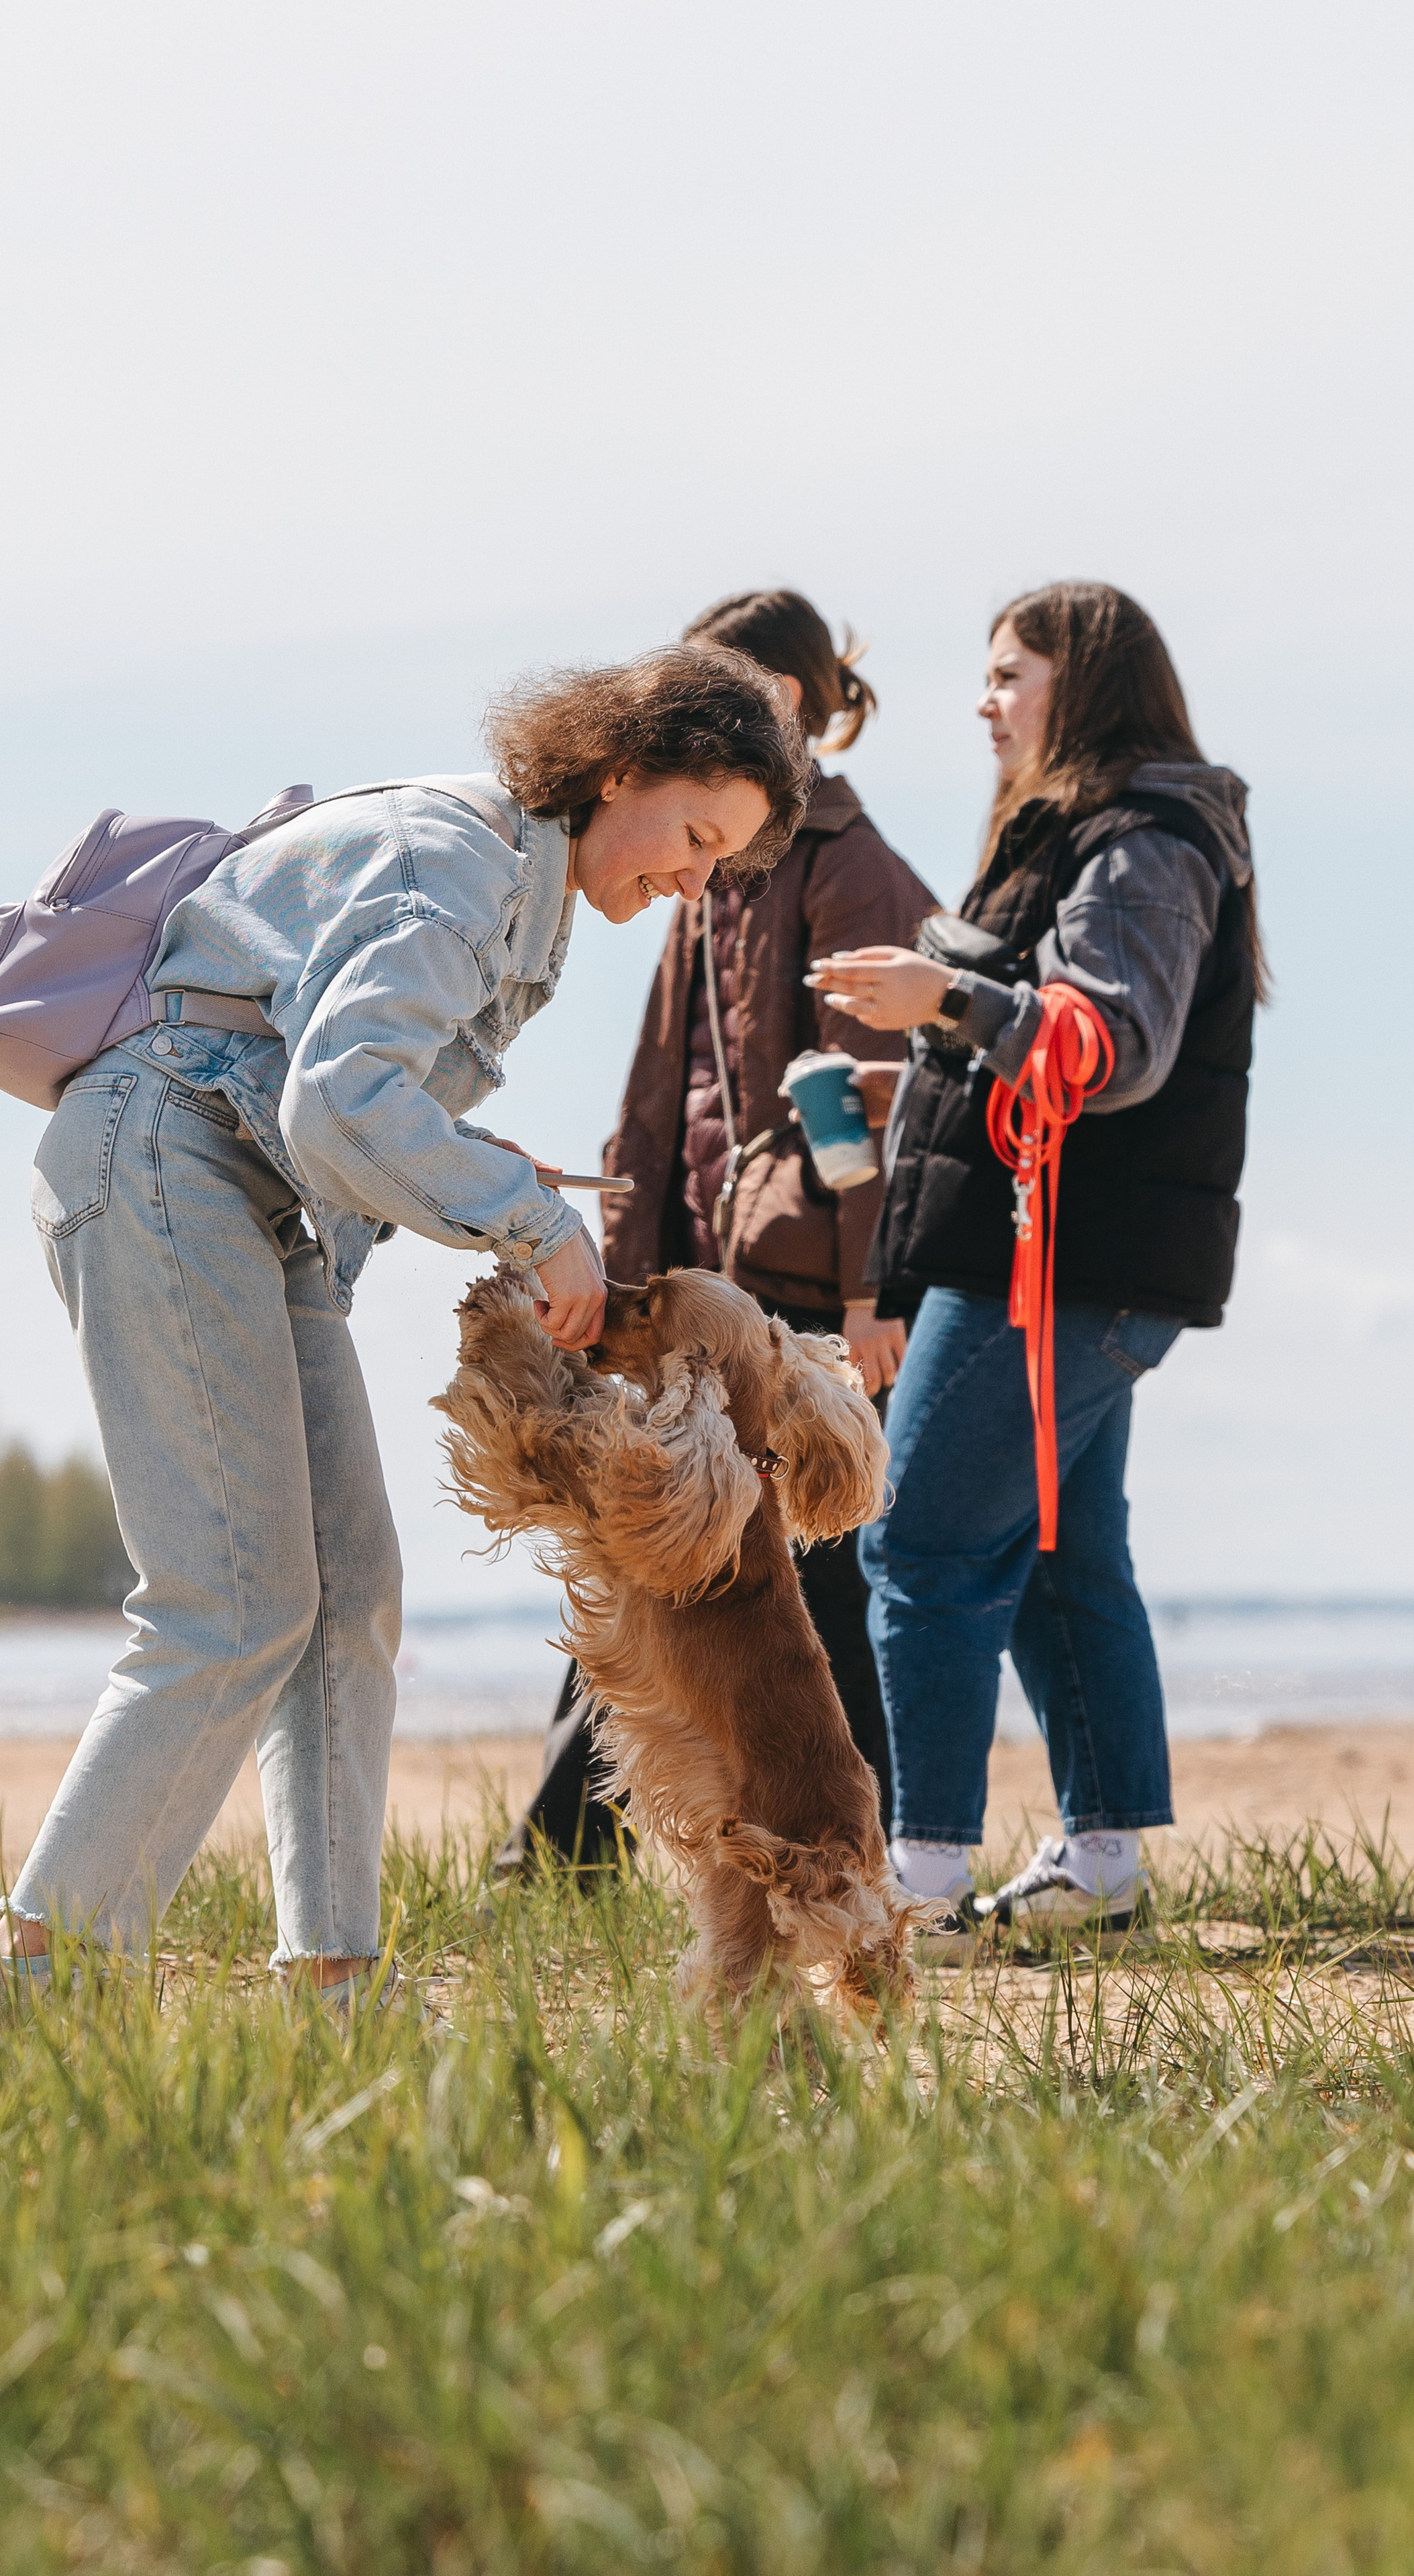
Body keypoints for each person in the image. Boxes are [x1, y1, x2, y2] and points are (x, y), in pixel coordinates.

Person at [0, 645, 811, 2012]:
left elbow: (337, 1096)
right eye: (696, 838)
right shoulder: (458, 865)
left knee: (349, 1597)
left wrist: (468, 1163)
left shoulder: (506, 873)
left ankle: (334, 1977)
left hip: (238, 1189)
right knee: (228, 1603)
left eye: (720, 865)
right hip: (172, 1161)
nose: (694, 883)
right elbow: (340, 1105)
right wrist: (532, 1216)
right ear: (622, 770)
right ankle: (32, 1976)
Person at [810, 583, 1265, 1948]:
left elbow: (1109, 1041)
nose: (982, 698)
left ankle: (924, 1878)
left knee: (919, 1540)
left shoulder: (1138, 835)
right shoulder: (1087, 833)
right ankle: (1100, 1859)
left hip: (1061, 1266)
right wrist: (918, 1083)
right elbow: (1043, 1044)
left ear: (1089, 683)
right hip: (1071, 1254)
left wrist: (939, 995)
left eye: (1010, 672)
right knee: (1059, 1558)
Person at [495, 590, 936, 1877]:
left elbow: (868, 1101)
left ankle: (864, 1852)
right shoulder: (712, 872)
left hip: (809, 1286)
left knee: (821, 1588)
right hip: (713, 1284)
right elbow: (660, 1082)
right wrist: (621, 1268)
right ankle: (574, 1844)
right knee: (662, 1546)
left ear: (790, 700)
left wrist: (872, 1289)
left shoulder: (851, 864)